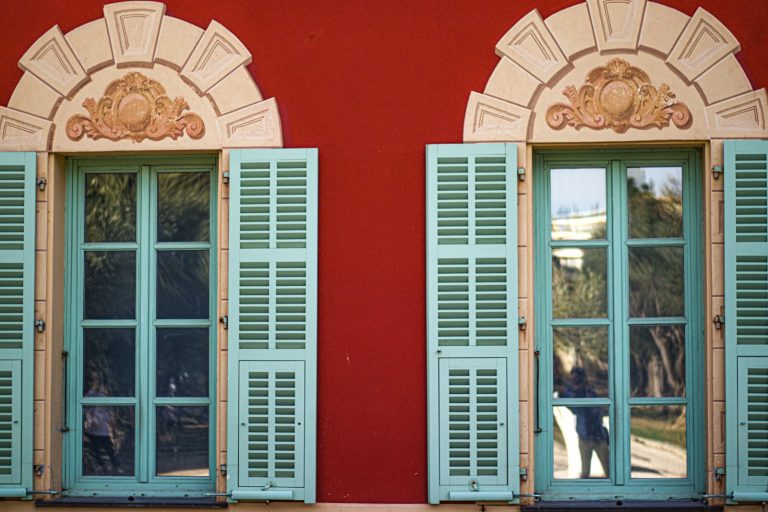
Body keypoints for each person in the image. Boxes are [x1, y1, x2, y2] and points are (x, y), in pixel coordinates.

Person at [563, 367, 610, 479]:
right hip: (585, 436)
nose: (576, 381)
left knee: (609, 469)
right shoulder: (572, 392)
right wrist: (575, 391)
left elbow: (598, 408)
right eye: (574, 379)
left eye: (578, 378)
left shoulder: (590, 390)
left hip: (598, 435)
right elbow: (573, 407)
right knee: (585, 470)